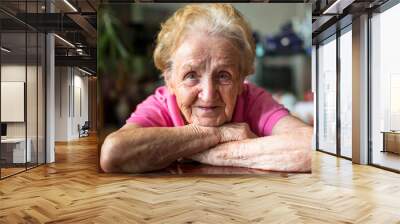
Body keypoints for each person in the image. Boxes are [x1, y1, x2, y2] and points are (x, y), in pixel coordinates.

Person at [100, 3, 312, 174]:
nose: (209, 95)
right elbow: (114, 153)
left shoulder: (253, 100)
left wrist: (209, 152)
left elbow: (314, 149)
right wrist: (218, 134)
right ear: (169, 80)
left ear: (240, 82)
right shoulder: (161, 105)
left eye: (223, 76)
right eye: (191, 75)